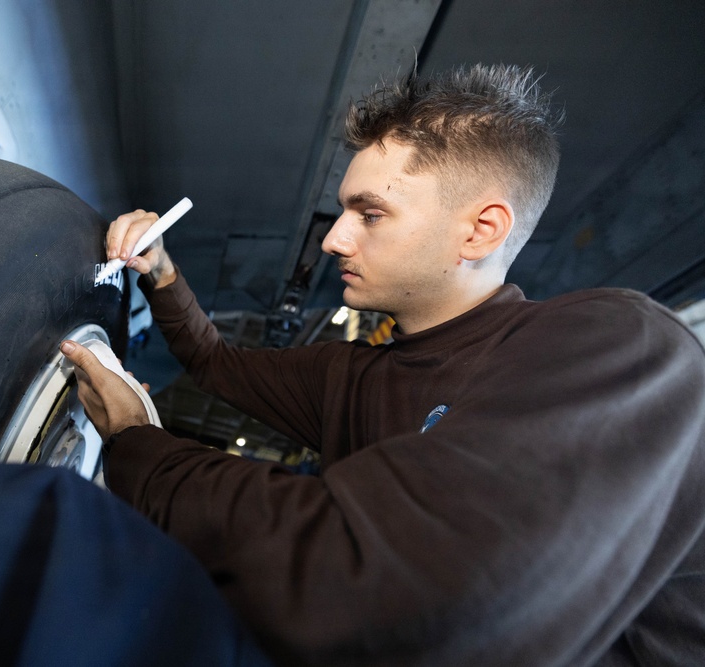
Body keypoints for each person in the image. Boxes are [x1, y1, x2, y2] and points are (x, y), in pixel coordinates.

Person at [60, 64, 705, 666]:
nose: (335, 238)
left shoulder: (618, 349)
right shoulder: (353, 377)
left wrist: (137, 443)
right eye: (343, 211)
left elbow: (360, 579)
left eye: (370, 214)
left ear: (479, 231)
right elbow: (215, 363)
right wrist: (163, 272)